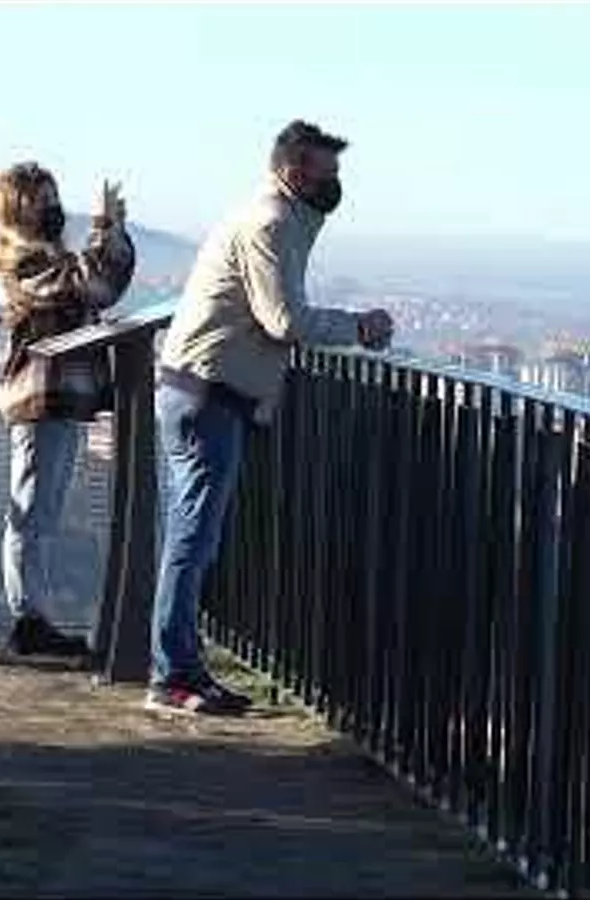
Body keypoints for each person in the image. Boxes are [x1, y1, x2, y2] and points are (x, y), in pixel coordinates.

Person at [148, 120, 393, 715]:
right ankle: (173, 674)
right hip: (209, 393)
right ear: (294, 172)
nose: (335, 184)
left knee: (192, 535)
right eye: (327, 172)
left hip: (201, 388)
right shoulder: (272, 222)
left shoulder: (273, 217)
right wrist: (358, 328)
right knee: (192, 538)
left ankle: (180, 667)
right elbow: (282, 319)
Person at [0, 162, 135, 657]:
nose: (52, 208)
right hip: (40, 395)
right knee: (32, 511)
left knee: (43, 510)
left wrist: (111, 232)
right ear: (17, 208)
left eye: (54, 197)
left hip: (62, 395)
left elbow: (102, 286)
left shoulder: (48, 256)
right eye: (40, 200)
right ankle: (28, 618)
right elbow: (89, 285)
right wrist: (105, 231)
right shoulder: (21, 261)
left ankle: (35, 616)